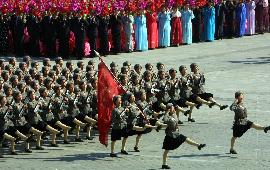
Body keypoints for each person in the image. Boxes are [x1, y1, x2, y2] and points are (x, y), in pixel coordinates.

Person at [161, 103, 206, 169]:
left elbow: (176, 122)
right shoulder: (167, 116)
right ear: (169, 109)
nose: (173, 108)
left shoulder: (174, 114)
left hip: (176, 133)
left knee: (185, 138)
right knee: (166, 151)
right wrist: (166, 113)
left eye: (173, 107)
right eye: (172, 107)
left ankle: (198, 145)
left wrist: (177, 128)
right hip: (170, 136)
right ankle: (164, 164)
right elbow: (164, 120)